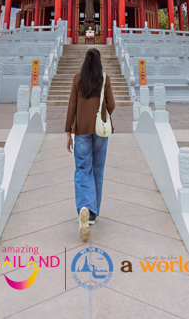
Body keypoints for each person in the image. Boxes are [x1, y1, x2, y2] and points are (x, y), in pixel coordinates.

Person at [65, 48, 115, 241]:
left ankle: (84, 206)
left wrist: (68, 132)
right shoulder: (104, 78)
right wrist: (102, 112)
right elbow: (112, 104)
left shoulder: (78, 79)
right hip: (100, 130)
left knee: (82, 168)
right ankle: (92, 213)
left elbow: (72, 106)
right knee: (97, 169)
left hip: (82, 130)